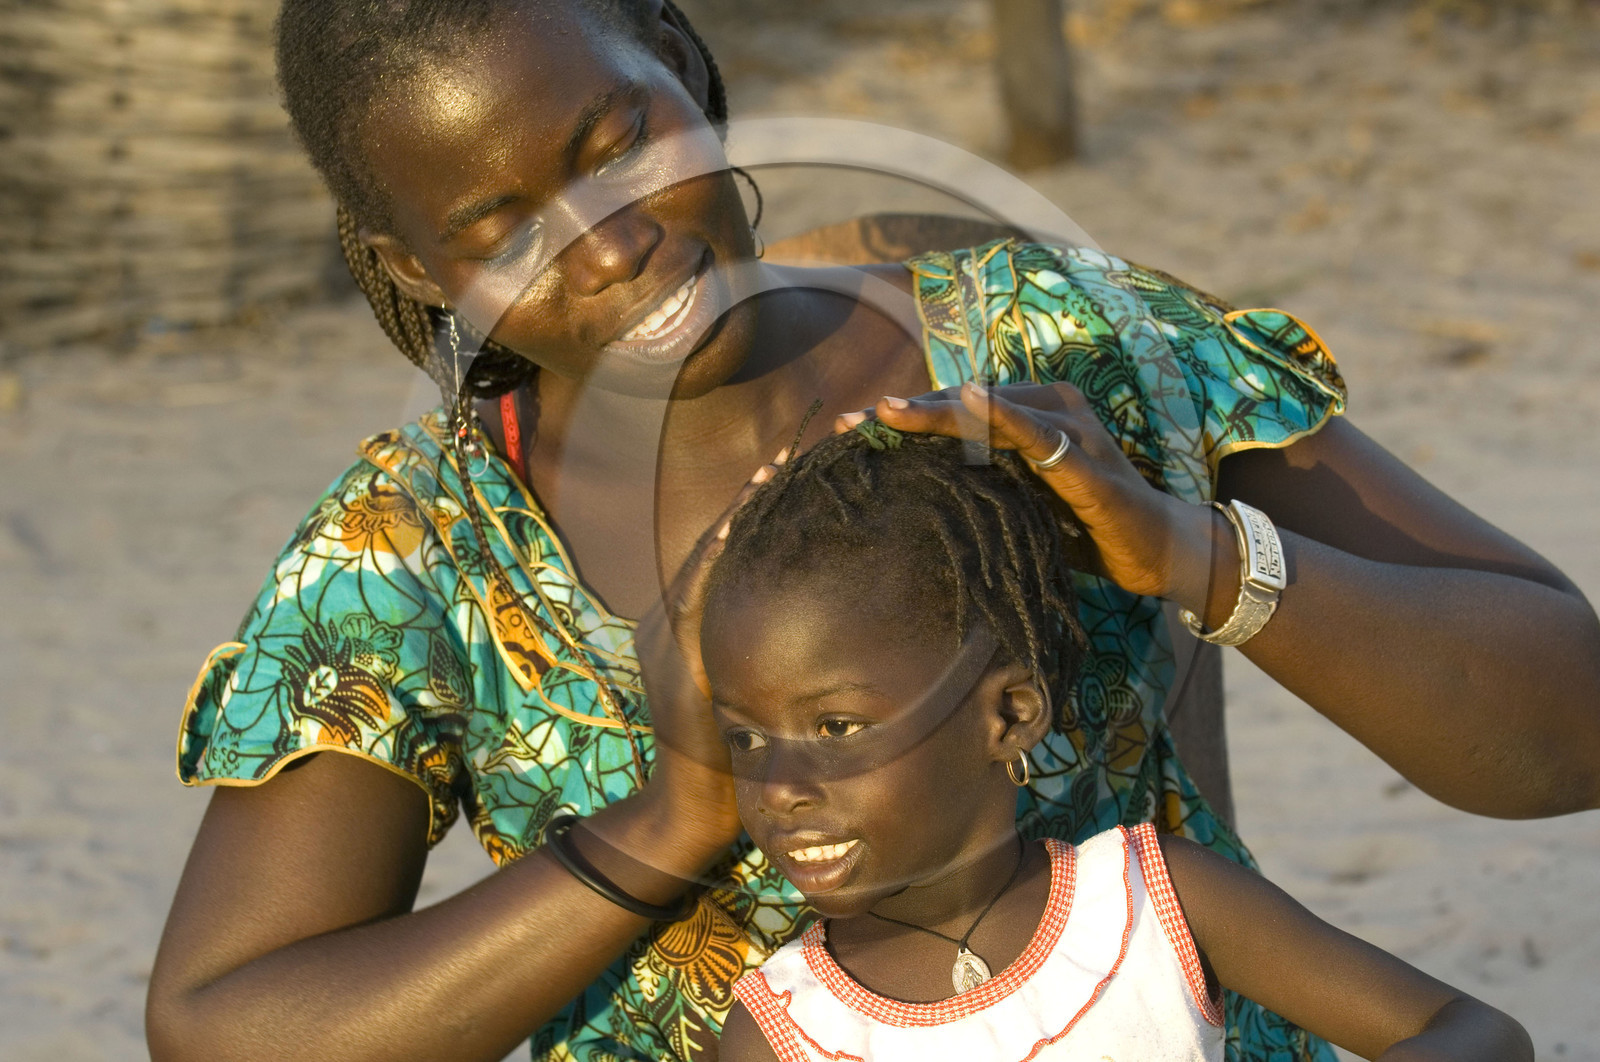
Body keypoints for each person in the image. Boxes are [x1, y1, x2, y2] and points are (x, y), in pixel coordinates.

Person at [144, 2, 1600, 1061]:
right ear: (412, 265)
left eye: (620, 141)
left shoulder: (1059, 343)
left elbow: (1567, 730)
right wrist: (675, 824)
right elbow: (226, 1025)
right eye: (498, 230)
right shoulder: (420, 551)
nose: (606, 239)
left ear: (686, 66)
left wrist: (1194, 556)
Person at [702, 425, 1532, 1062]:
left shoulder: (1146, 901)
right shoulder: (785, 1028)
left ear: (1012, 715)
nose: (776, 786)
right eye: (744, 736)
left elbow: (1475, 1033)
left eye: (835, 728)